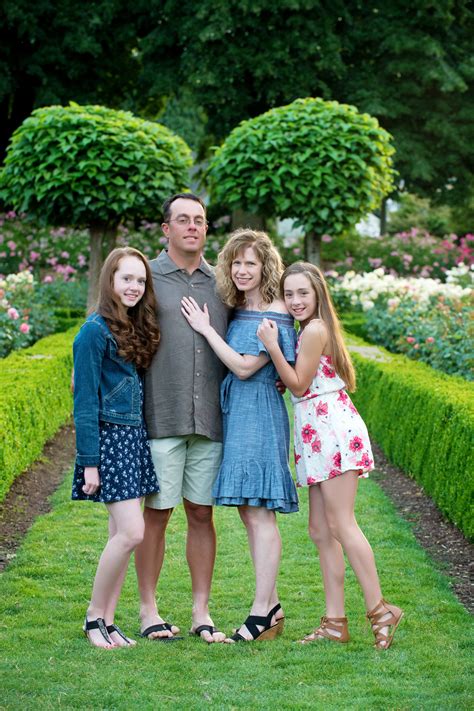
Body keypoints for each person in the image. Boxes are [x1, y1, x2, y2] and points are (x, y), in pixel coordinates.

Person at [257, 261, 404, 650]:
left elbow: (300, 384)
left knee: (341, 524)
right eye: (289, 294)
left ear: (318, 293)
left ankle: (380, 608)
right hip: (316, 432)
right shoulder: (311, 330)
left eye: (303, 292)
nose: (295, 300)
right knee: (320, 531)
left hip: (331, 430)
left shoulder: (315, 329)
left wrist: (272, 348)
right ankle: (334, 621)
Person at [181, 229, 299, 643]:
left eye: (251, 262)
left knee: (259, 511)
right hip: (240, 415)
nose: (243, 269)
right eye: (236, 262)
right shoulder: (241, 307)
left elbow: (246, 367)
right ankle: (272, 604)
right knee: (249, 512)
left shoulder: (275, 311)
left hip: (260, 415)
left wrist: (205, 328)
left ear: (267, 266)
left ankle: (261, 611)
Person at [134, 193, 230, 643]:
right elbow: (109, 324)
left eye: (200, 220)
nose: (192, 226)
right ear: (165, 228)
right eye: (183, 220)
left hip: (209, 417)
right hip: (161, 412)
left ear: (206, 230)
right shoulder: (146, 278)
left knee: (201, 513)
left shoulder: (224, 283)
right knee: (157, 514)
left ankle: (200, 611)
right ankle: (148, 610)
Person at [72, 247, 161, 649]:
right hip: (108, 441)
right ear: (110, 280)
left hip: (132, 439)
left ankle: (108, 620)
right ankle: (93, 616)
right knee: (131, 532)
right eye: (126, 278)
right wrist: (89, 463)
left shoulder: (130, 325)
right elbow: (85, 402)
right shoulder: (93, 331)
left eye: (140, 280)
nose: (134, 287)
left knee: (118, 535)